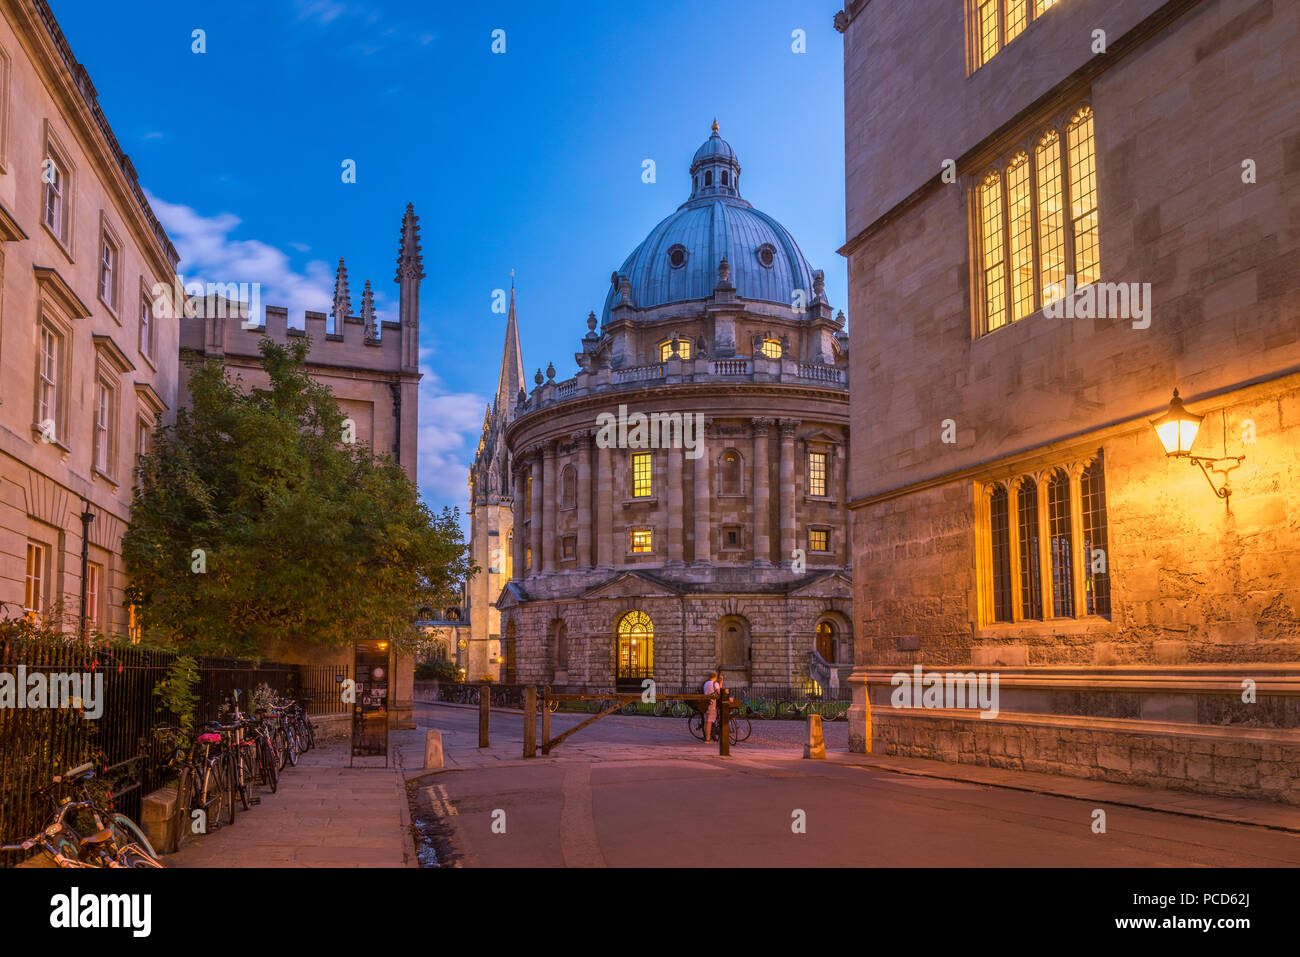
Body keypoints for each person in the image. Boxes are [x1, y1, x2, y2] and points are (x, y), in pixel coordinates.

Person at [702, 671, 719, 742]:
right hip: (712, 703)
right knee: (709, 721)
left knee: (706, 721)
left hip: (705, 703)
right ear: (715, 677)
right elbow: (719, 692)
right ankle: (708, 739)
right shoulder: (715, 683)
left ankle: (706, 737)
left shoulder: (706, 683)